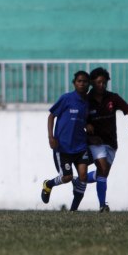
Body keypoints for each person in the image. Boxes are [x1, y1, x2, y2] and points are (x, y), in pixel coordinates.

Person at [84, 67, 128, 212]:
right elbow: (78, 118)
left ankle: (80, 180)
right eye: (98, 83)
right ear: (92, 83)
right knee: (101, 169)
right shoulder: (86, 100)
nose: (101, 85)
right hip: (95, 141)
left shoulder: (113, 98)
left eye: (104, 83)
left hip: (111, 143)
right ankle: (103, 205)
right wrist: (86, 124)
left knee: (102, 174)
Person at [40, 71, 91, 211]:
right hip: (63, 147)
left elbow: (86, 121)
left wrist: (88, 126)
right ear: (74, 83)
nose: (82, 83)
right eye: (79, 81)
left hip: (80, 146)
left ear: (89, 85)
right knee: (67, 177)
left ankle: (73, 210)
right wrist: (51, 137)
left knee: (83, 176)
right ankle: (49, 184)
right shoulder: (66, 98)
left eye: (85, 81)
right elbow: (51, 116)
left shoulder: (88, 102)